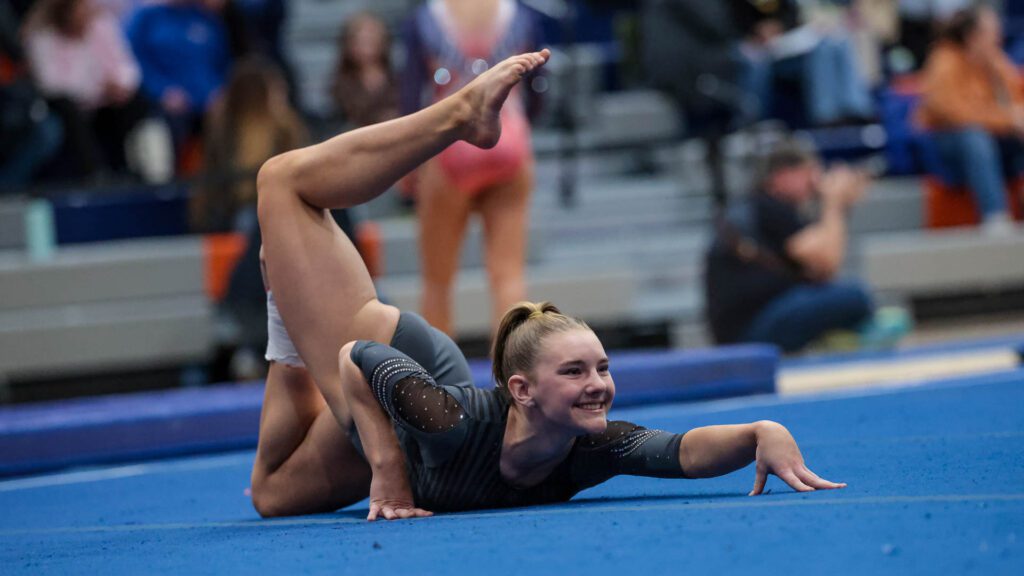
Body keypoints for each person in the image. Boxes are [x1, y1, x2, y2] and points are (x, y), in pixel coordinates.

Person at [249, 49, 844, 520]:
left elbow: (679, 452)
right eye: (577, 372)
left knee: (271, 495)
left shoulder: (586, 449)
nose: (599, 386)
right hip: (393, 380)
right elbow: (357, 358)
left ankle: (287, 304)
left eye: (602, 368)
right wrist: (387, 468)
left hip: (406, 425)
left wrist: (759, 432)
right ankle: (456, 116)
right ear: (523, 390)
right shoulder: (447, 422)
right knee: (281, 182)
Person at [401, 0, 544, 336]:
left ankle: (437, 383)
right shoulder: (521, 15)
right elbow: (539, 90)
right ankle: (514, 377)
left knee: (438, 281)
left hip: (451, 148)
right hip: (509, 144)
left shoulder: (424, 18)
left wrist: (409, 169)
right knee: (508, 275)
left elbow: (409, 97)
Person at [704, 138, 891, 353]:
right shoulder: (767, 208)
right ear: (783, 175)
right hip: (750, 331)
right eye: (808, 172)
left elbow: (820, 270)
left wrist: (840, 206)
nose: (815, 182)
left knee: (843, 296)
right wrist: (834, 204)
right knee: (854, 296)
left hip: (748, 326)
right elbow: (827, 263)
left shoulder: (758, 207)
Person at [21, 0, 166, 180]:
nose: (87, 14)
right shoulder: (43, 37)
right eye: (80, 9)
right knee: (65, 107)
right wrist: (98, 89)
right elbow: (51, 84)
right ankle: (95, 174)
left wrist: (120, 84)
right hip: (67, 108)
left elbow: (127, 67)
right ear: (65, 12)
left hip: (102, 102)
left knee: (138, 102)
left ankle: (149, 175)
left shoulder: (101, 27)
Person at [916, 4, 1023, 232]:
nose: (998, 38)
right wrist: (1006, 120)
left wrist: (1015, 118)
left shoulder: (995, 60)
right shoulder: (944, 59)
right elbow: (955, 113)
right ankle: (995, 218)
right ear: (973, 36)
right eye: (991, 32)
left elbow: (1016, 99)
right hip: (950, 143)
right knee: (975, 139)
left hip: (993, 139)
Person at [191, 57, 305, 233]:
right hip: (235, 212)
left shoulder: (287, 129)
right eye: (276, 90)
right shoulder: (225, 131)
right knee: (248, 217)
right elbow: (226, 190)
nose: (282, 95)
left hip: (281, 206)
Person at [329, 11, 398, 130]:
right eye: (361, 40)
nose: (366, 46)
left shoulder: (399, 81)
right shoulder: (340, 85)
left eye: (371, 39)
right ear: (349, 44)